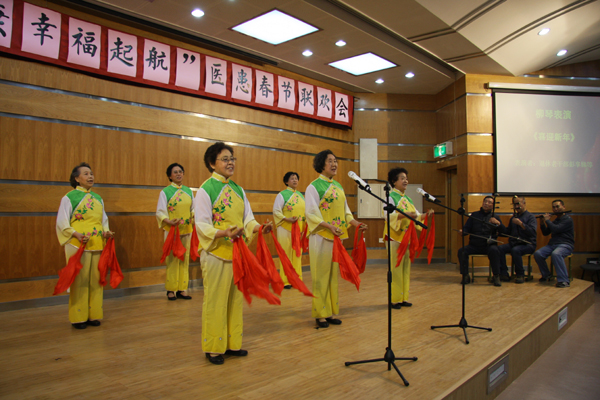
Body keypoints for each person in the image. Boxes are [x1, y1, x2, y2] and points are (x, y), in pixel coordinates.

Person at [194, 142, 273, 365]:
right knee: (216, 301)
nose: (230, 163)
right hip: (216, 253)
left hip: (237, 253)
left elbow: (248, 219)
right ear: (212, 163)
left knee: (235, 300)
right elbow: (202, 224)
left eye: (232, 159)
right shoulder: (205, 189)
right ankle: (213, 348)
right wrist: (223, 233)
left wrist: (259, 228)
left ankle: (232, 344)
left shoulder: (238, 189)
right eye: (225, 159)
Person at [305, 150, 367, 328]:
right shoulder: (313, 187)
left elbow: (346, 212)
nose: (334, 164)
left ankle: (330, 312)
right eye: (330, 161)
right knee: (320, 276)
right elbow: (311, 213)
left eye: (335, 161)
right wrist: (329, 226)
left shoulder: (338, 186)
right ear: (321, 164)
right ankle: (320, 314)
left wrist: (356, 223)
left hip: (336, 239)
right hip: (321, 237)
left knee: (332, 276)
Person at [56, 163, 113, 329]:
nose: (90, 176)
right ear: (76, 178)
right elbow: (62, 221)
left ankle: (93, 315)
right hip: (77, 244)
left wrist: (106, 232)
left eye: (91, 173)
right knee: (79, 280)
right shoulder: (69, 197)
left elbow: (103, 220)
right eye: (86, 174)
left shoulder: (98, 198)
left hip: (97, 243)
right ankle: (78, 317)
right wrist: (75, 234)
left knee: (96, 280)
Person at [383, 168, 433, 309]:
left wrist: (426, 215)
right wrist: (405, 215)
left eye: (406, 178)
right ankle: (394, 299)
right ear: (394, 181)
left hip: (406, 238)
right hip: (394, 237)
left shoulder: (408, 199)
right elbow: (387, 216)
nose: (406, 181)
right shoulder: (390, 197)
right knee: (395, 269)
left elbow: (416, 216)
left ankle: (403, 297)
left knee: (406, 268)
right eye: (402, 178)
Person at [156, 163, 194, 300]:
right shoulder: (165, 192)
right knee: (172, 259)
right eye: (175, 172)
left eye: (180, 171)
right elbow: (160, 212)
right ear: (170, 176)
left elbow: (193, 209)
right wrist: (168, 221)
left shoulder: (188, 191)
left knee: (184, 259)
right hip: (172, 231)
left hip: (186, 230)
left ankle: (182, 289)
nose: (179, 174)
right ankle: (171, 290)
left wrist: (194, 216)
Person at [489, 196, 537, 284]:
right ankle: (503, 273)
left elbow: (532, 232)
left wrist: (521, 224)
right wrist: (499, 225)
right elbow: (508, 232)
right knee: (499, 249)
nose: (516, 206)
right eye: (514, 204)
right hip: (514, 243)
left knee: (515, 250)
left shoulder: (531, 217)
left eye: (518, 204)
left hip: (528, 244)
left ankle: (520, 274)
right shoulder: (513, 218)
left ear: (524, 203)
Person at [457, 196, 502, 286]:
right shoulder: (474, 215)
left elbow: (502, 232)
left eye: (489, 202)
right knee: (462, 251)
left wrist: (498, 224)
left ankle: (496, 276)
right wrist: (463, 232)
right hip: (474, 245)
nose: (486, 203)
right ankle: (465, 275)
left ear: (493, 206)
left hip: (488, 245)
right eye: (485, 201)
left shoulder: (495, 217)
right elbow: (467, 228)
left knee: (495, 250)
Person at [272, 171, 305, 289]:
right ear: (286, 181)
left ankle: (296, 279)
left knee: (297, 254)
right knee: (285, 254)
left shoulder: (301, 196)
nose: (295, 180)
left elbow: (306, 213)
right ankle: (286, 281)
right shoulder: (282, 195)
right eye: (292, 178)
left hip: (298, 231)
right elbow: (276, 211)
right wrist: (287, 219)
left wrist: (304, 228)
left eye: (296, 178)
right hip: (285, 228)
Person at [534, 200, 575, 288]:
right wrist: (542, 223)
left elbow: (556, 229)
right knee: (538, 254)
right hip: (553, 245)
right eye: (554, 207)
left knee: (556, 254)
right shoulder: (556, 220)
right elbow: (546, 233)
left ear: (563, 207)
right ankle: (547, 275)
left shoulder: (568, 219)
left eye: (557, 207)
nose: (555, 209)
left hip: (565, 244)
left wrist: (548, 220)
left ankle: (564, 280)